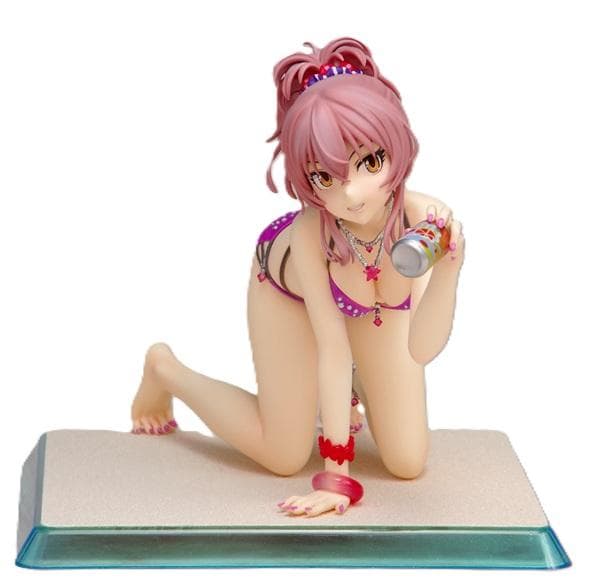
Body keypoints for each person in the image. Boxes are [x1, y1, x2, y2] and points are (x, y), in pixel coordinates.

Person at [130, 37, 465, 518]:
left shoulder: (425, 221)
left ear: (397, 145)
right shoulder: (310, 233)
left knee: (408, 462)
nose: (351, 194)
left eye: (370, 162)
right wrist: (337, 478)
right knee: (284, 454)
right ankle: (165, 370)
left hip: (375, 312)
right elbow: (333, 349)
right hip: (287, 295)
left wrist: (449, 269)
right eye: (324, 178)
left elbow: (422, 349)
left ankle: (357, 391)